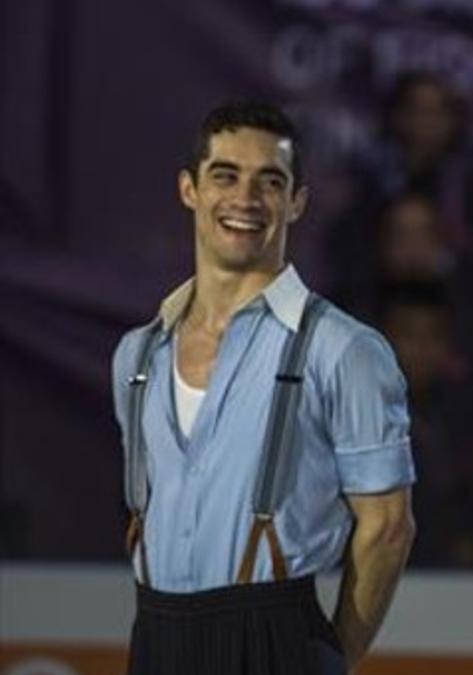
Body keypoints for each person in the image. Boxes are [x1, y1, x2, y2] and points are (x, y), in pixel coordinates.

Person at [111, 102, 416, 674]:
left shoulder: (344, 349)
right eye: (225, 175)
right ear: (189, 189)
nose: (245, 200)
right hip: (154, 633)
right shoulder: (138, 354)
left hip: (276, 636)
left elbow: (388, 527)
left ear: (297, 201)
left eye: (269, 182)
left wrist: (327, 661)